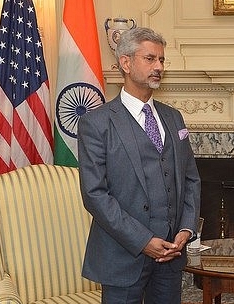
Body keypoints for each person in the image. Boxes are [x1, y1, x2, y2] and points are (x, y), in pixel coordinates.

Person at [78, 27, 201, 304]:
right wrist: (143, 241)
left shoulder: (174, 118)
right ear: (126, 62)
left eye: (161, 60)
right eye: (150, 59)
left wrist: (186, 229)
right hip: (122, 257)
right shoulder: (97, 123)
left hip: (170, 256)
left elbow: (191, 179)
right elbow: (95, 195)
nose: (158, 67)